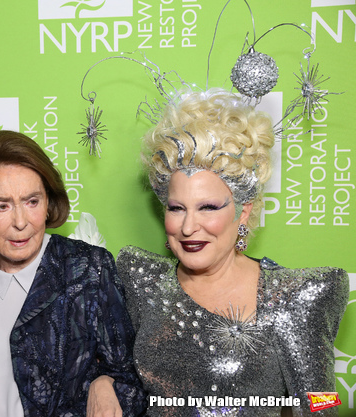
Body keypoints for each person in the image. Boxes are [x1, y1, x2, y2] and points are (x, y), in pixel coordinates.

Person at [113, 89, 349, 416]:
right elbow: (110, 366)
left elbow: (321, 405)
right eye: (177, 208)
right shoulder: (139, 279)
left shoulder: (295, 298)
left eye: (208, 207)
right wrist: (101, 381)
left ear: (243, 212)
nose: (188, 226)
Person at [0, 130, 146, 417]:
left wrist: (105, 382)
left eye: (32, 201)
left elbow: (131, 383)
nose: (20, 222)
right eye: (1, 206)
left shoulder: (88, 270)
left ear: (48, 202)